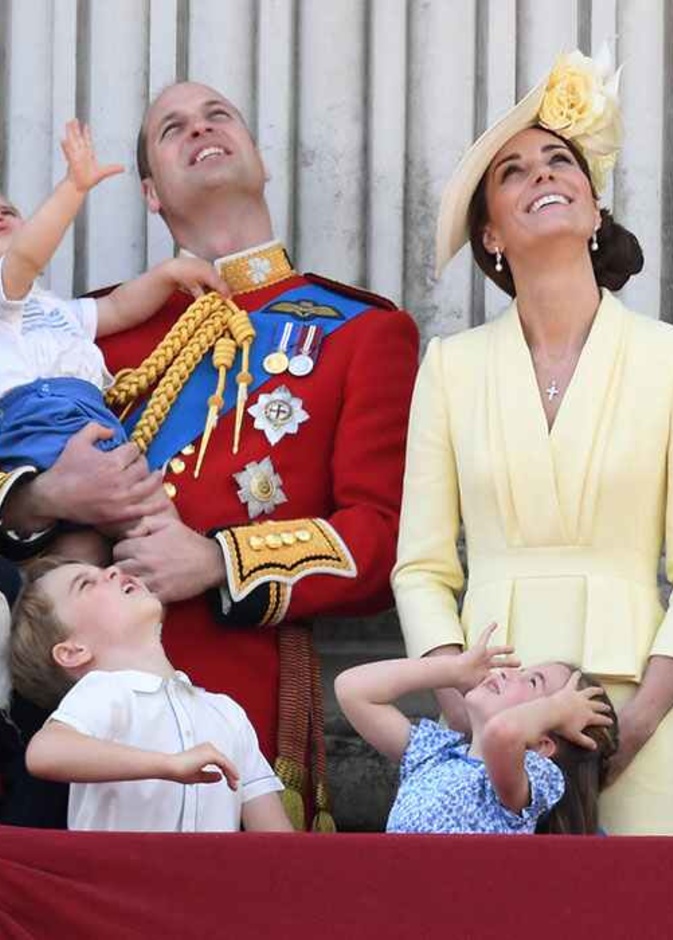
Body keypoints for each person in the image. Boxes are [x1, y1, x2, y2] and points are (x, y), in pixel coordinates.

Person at [0, 83, 419, 829]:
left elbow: (382, 540)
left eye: (217, 115)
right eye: (172, 128)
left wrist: (219, 560)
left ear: (257, 159)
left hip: (234, 697)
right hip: (69, 701)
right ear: (151, 194)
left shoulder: (362, 331)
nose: (200, 128)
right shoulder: (82, 328)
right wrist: (45, 494)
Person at [392, 46, 673, 835]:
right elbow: (419, 566)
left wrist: (648, 713)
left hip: (640, 695)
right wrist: (460, 701)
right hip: (490, 704)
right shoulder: (449, 366)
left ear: (593, 208)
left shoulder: (667, 358)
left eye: (559, 160)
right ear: (489, 233)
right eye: (512, 171)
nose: (542, 174)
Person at [10, 557, 292, 833]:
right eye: (85, 584)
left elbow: (277, 845)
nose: (112, 570)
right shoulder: (101, 692)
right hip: (121, 881)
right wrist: (167, 764)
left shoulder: (227, 711)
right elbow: (45, 752)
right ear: (73, 651)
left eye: (104, 569)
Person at [336, 624, 617, 834]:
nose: (507, 672)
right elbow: (353, 690)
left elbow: (502, 734)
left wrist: (558, 710)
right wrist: (453, 669)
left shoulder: (532, 776)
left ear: (543, 745)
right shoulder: (436, 753)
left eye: (533, 682)